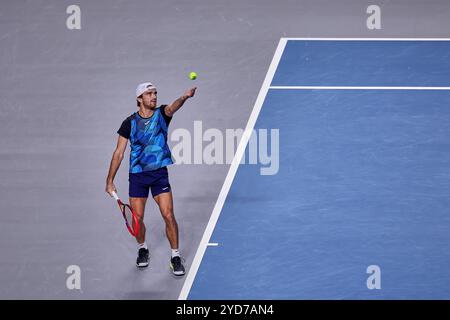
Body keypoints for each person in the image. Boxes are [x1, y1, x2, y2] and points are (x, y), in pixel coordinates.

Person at [105, 82, 197, 276]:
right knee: (137, 220)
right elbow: (118, 153)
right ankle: (142, 248)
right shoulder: (128, 123)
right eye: (149, 94)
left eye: (155, 93)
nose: (153, 96)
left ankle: (175, 256)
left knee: (168, 215)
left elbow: (173, 107)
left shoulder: (162, 114)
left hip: (159, 174)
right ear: (139, 99)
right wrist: (109, 181)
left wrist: (184, 97)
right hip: (137, 176)